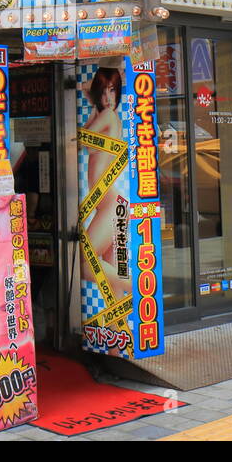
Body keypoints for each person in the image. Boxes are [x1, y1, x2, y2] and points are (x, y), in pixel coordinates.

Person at [82, 66, 128, 295]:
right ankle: (119, 331)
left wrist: (91, 98)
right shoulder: (104, 116)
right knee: (111, 282)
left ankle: (134, 288)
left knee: (84, 261)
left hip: (110, 204)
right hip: (110, 203)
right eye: (103, 91)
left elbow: (77, 138)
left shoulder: (108, 116)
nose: (108, 97)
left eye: (112, 90)